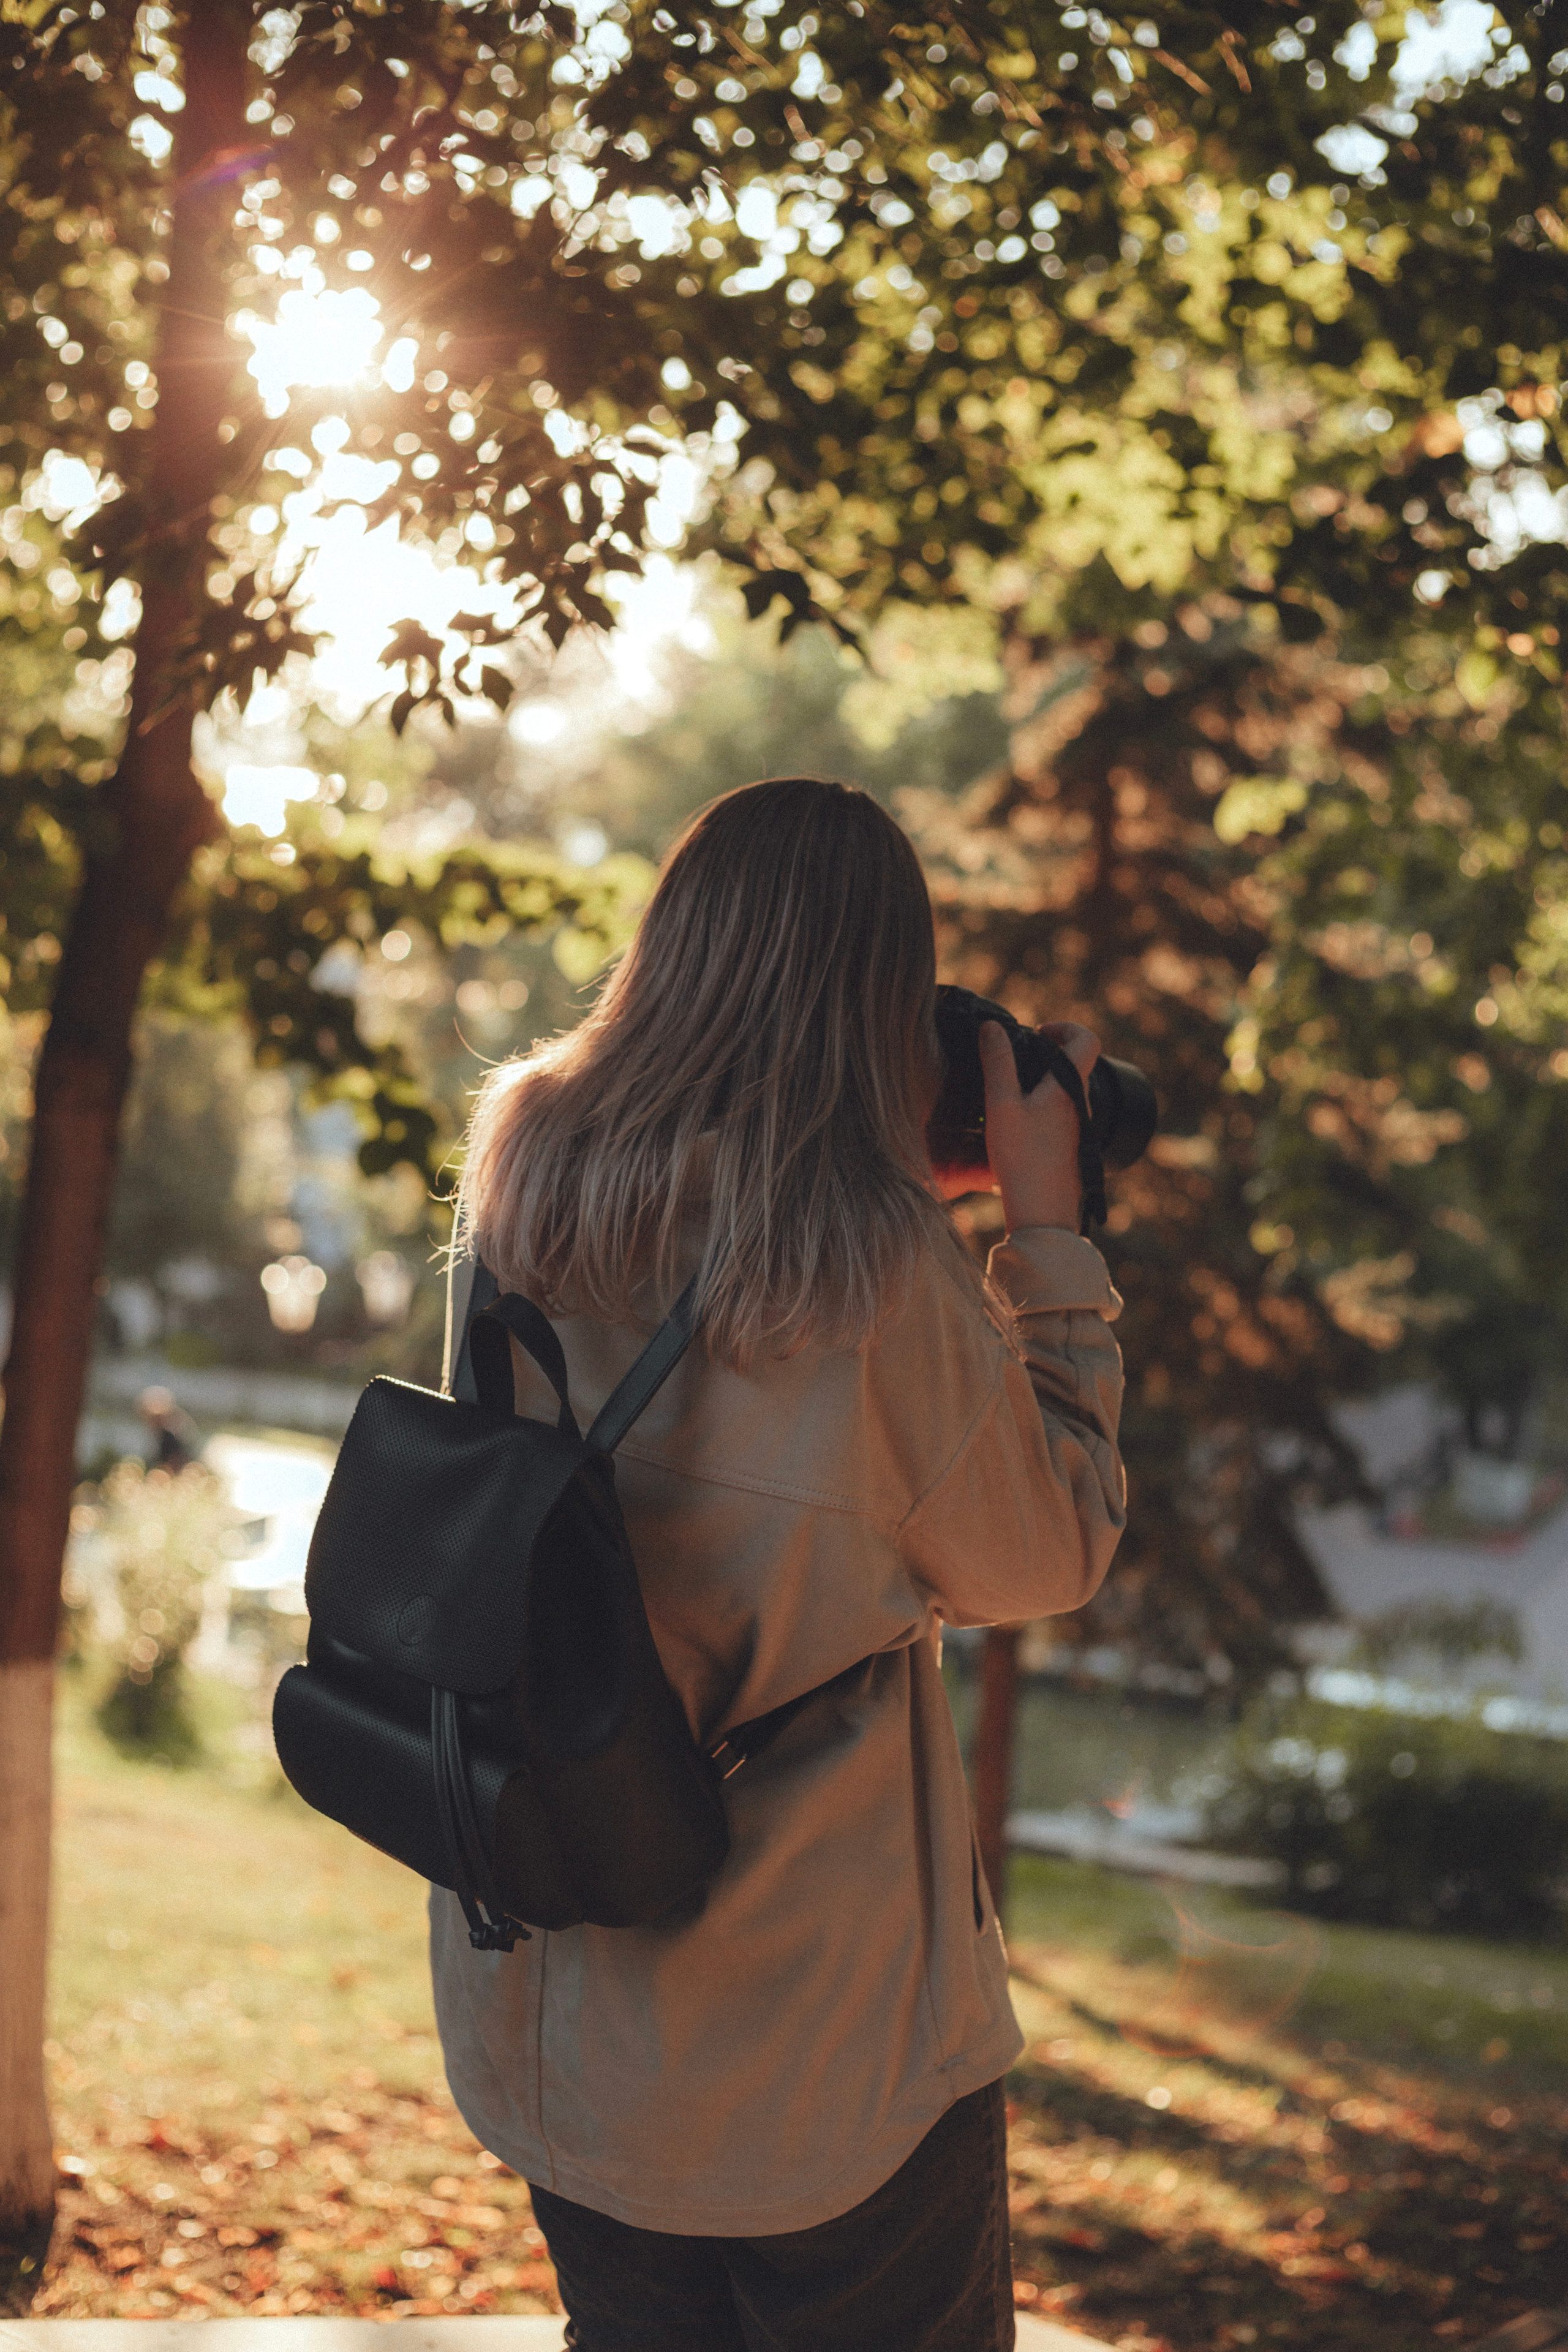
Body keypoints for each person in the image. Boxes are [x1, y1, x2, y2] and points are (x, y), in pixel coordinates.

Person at [437, 777, 1127, 2351]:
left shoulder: (524, 1153)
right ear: (883, 994)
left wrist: (898, 1174)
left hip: (557, 1981)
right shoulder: (878, 1266)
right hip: (816, 2056)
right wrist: (1045, 1237)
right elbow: (1047, 1551)